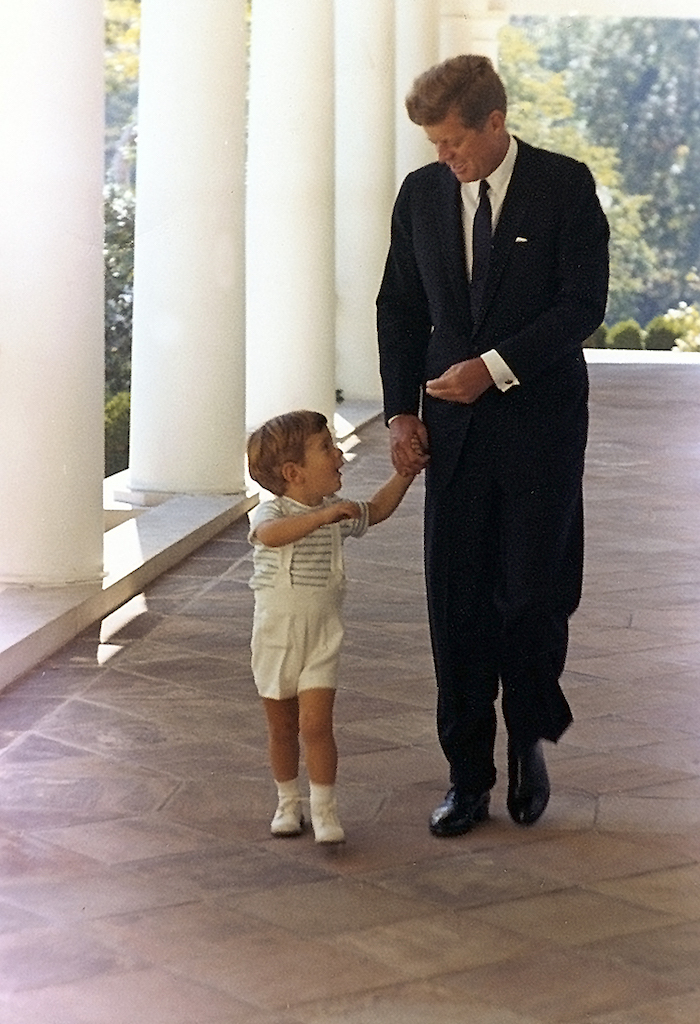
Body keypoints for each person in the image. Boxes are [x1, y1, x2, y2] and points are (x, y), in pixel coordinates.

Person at [377, 55, 609, 836]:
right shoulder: (420, 195)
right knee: (458, 603)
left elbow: (584, 304)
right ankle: (467, 778)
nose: (445, 158)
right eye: (435, 145)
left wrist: (495, 370)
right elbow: (400, 309)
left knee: (534, 597)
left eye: (453, 143)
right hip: (453, 438)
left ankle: (529, 745)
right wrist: (399, 414)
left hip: (540, 429)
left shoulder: (564, 186)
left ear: (494, 123)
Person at [246, 410, 419, 843]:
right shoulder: (273, 511)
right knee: (282, 728)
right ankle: (288, 802)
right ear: (294, 473)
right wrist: (323, 518)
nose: (339, 454)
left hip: (322, 638)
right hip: (275, 640)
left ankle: (324, 809)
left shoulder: (336, 512)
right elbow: (270, 535)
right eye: (327, 448)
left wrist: (405, 474)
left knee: (316, 726)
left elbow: (376, 509)